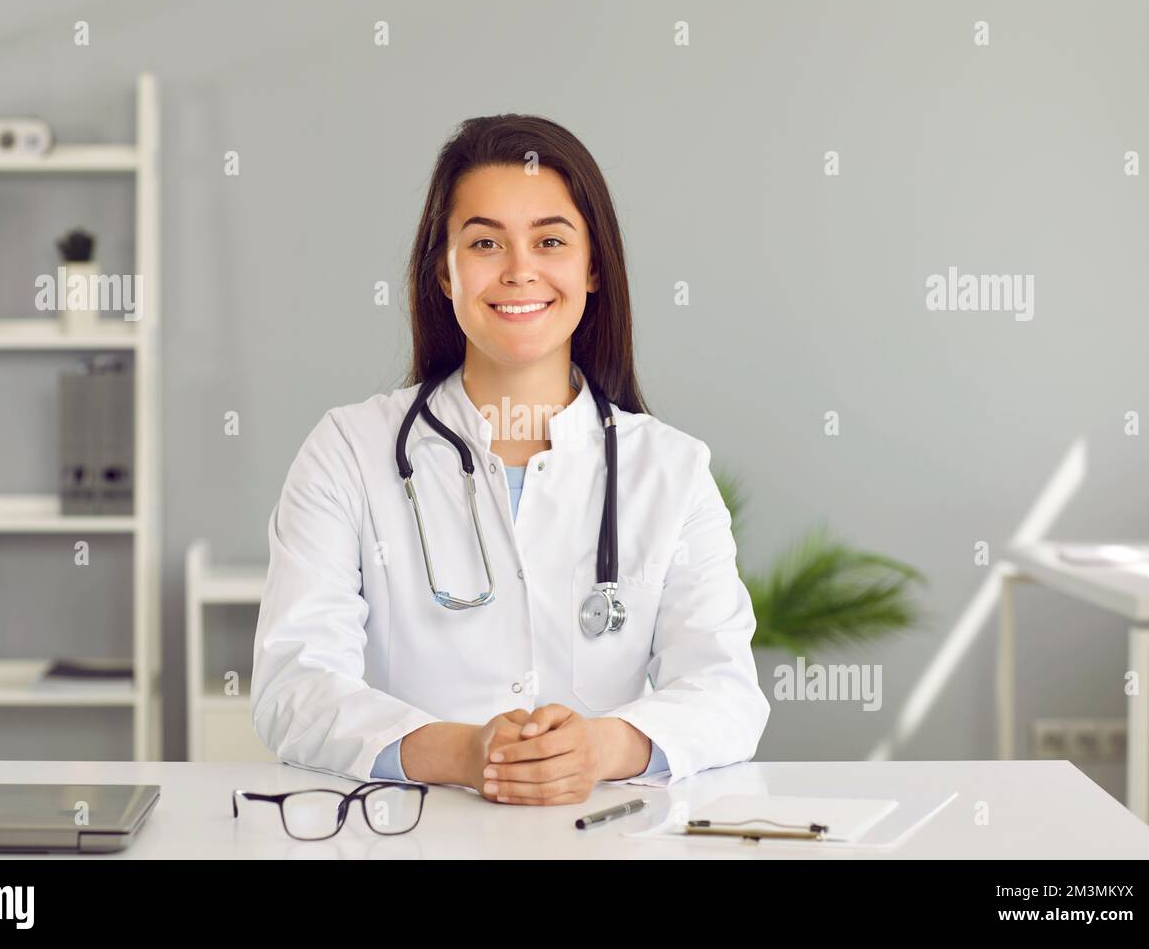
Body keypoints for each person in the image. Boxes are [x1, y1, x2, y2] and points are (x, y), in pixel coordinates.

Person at [251, 114, 769, 806]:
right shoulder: (347, 451)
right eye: (485, 242)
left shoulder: (671, 470)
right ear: (444, 271)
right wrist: (466, 754)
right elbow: (295, 687)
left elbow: (726, 692)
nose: (520, 270)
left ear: (592, 267)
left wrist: (599, 749)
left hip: (598, 837)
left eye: (550, 240)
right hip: (410, 837)